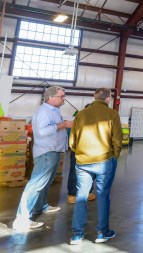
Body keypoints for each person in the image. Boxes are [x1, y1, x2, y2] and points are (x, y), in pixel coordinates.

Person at [69, 88, 122, 245]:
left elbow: (72, 142)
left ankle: (76, 235)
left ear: (94, 97)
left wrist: (81, 153)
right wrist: (114, 156)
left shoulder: (80, 114)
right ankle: (102, 232)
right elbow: (117, 140)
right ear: (108, 99)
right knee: (103, 196)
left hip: (82, 162)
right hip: (104, 161)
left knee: (81, 197)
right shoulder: (113, 114)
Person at [13, 86, 70, 231]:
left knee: (46, 181)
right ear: (51, 97)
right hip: (46, 152)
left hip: (53, 151)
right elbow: (42, 131)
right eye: (61, 96)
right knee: (36, 184)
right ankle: (22, 219)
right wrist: (63, 125)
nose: (63, 99)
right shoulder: (44, 111)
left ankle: (40, 206)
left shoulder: (54, 110)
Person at [67, 105, 96, 205]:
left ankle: (89, 191)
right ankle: (72, 193)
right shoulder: (79, 120)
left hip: (93, 151)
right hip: (78, 150)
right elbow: (72, 137)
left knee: (91, 172)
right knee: (75, 171)